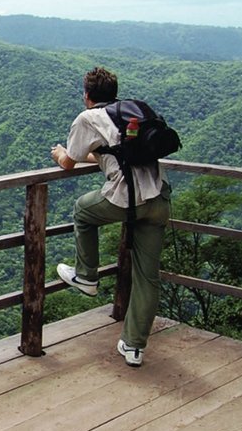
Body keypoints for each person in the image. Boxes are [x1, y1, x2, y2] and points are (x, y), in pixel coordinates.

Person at [50, 67, 171, 367]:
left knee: (82, 210)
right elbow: (110, 153)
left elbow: (68, 162)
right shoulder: (130, 113)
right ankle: (133, 347)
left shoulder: (87, 118)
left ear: (86, 95)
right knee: (148, 277)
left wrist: (58, 153)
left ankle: (87, 276)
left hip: (126, 198)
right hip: (159, 198)